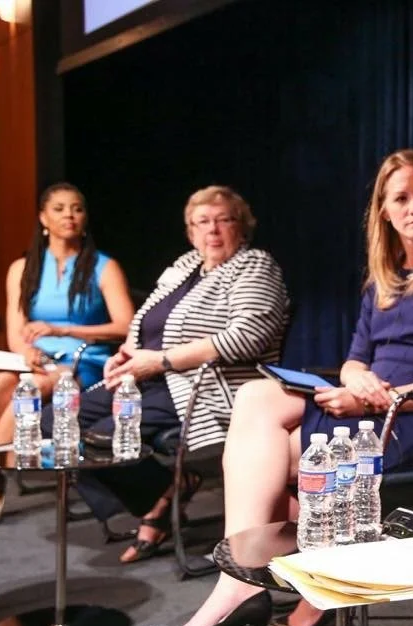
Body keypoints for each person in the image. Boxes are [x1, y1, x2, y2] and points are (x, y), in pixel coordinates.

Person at [142, 149, 413, 626]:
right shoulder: (383, 279)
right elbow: (356, 357)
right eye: (402, 198)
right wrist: (354, 381)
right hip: (370, 412)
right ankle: (244, 583)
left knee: (275, 462)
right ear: (384, 211)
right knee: (256, 400)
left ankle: (245, 590)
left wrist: (375, 398)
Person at [40, 185, 291, 563]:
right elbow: (145, 323)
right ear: (190, 231)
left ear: (243, 227)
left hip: (201, 388)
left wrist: (161, 361)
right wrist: (125, 354)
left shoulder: (255, 266)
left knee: (105, 438)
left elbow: (247, 337)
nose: (213, 230)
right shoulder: (183, 267)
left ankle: (159, 506)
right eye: (202, 222)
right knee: (54, 420)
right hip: (147, 378)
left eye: (224, 220)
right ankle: (165, 491)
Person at [0, 183, 134, 532]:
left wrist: (66, 331)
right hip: (35, 360)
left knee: (37, 384)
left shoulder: (104, 267)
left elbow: (124, 326)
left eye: (76, 208)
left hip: (84, 361)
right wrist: (27, 352)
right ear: (43, 217)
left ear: (85, 217)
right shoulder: (23, 267)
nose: (69, 216)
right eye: (59, 209)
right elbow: (17, 329)